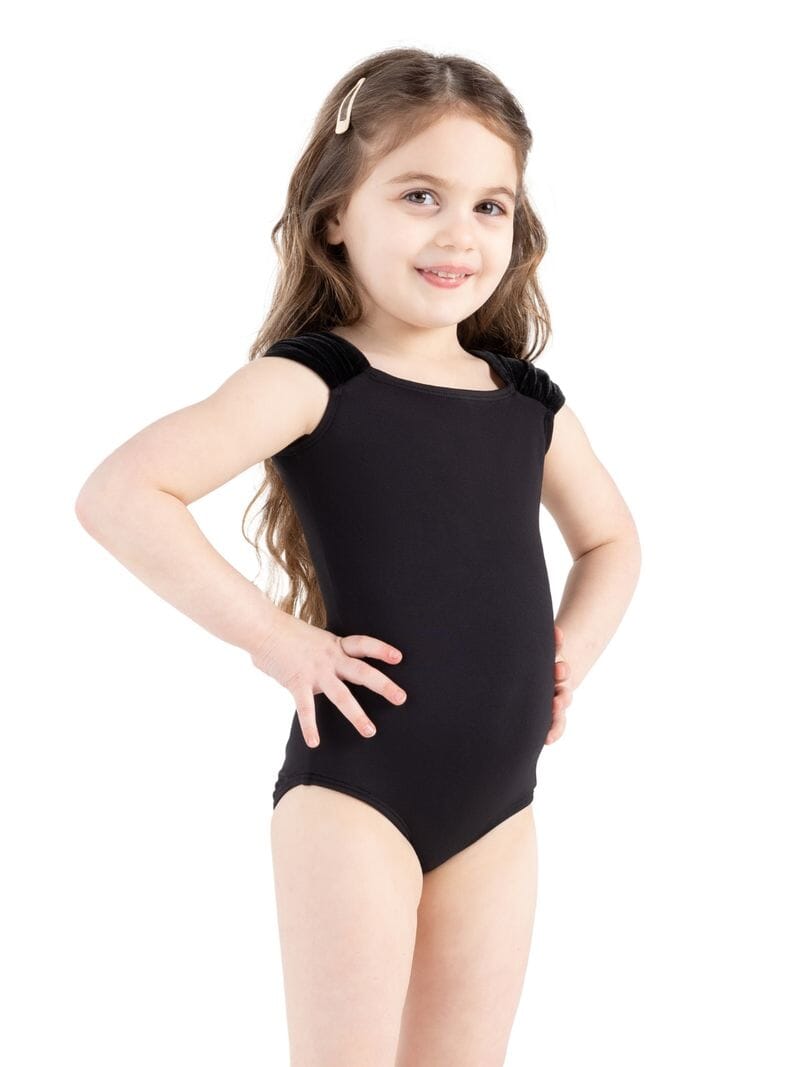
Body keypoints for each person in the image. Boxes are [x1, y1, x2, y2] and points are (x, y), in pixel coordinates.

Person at [76, 46, 641, 1067]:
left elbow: (610, 540)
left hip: (500, 806)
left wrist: (570, 654)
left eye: (490, 206)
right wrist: (279, 641)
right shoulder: (314, 379)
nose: (458, 233)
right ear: (337, 212)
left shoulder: (526, 400)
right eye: (420, 195)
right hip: (355, 793)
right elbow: (121, 494)